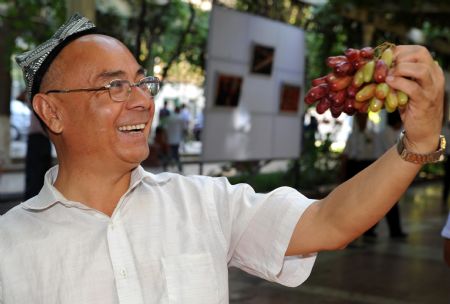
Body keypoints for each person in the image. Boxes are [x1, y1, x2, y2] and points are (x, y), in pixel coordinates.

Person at [0, 14, 445, 303]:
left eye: (142, 83)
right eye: (114, 86)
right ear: (51, 111)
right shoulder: (10, 248)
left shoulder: (204, 203)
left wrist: (420, 139)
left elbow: (329, 222)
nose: (141, 101)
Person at [166, 106, 185, 172]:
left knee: (172, 152)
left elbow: (167, 128)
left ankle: (168, 165)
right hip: (176, 139)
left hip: (170, 139)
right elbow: (183, 128)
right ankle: (179, 167)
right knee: (175, 153)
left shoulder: (170, 118)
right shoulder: (180, 118)